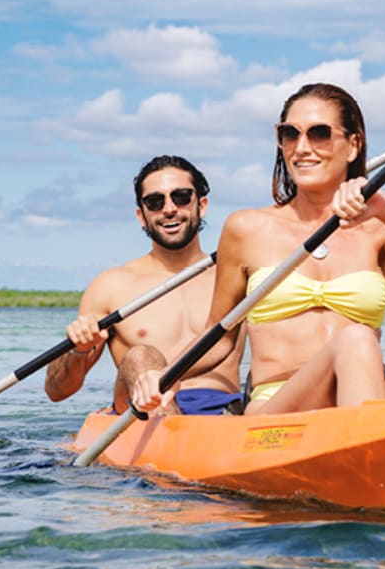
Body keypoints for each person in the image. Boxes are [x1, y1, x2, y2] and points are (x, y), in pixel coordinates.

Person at [133, 82, 385, 417]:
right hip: (280, 406)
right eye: (290, 134)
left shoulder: (378, 228)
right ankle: (366, 458)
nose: (302, 148)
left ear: (352, 145)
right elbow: (220, 337)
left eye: (318, 133)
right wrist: (164, 375)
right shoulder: (247, 228)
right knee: (355, 340)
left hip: (367, 398)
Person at [45, 155, 244, 416]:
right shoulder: (111, 285)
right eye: (155, 202)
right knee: (141, 356)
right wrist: (78, 351)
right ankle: (173, 442)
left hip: (223, 409)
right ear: (141, 215)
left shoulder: (235, 275)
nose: (169, 209)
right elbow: (57, 391)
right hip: (140, 414)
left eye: (181, 197)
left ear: (202, 205)